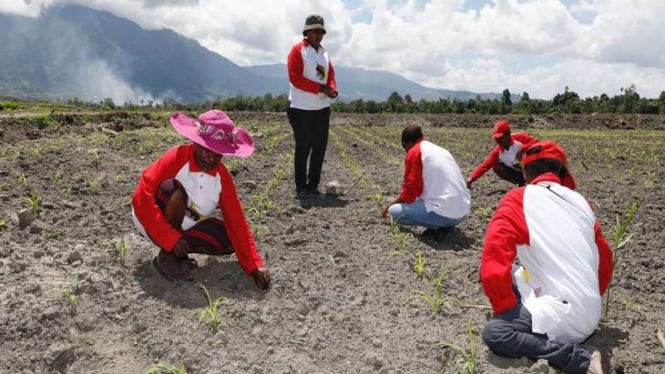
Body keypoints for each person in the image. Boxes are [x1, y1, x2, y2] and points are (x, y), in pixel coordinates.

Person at [480, 140, 612, 374]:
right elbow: (605, 260)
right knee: (517, 273)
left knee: (497, 333)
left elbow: (494, 259)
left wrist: (504, 308)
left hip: (564, 314)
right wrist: (589, 297)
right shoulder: (582, 203)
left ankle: (580, 360)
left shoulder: (518, 198)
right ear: (562, 171)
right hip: (590, 309)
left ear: (526, 172)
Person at [131, 110, 271, 289]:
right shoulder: (177, 158)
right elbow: (141, 196)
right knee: (173, 190)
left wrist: (254, 265)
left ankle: (179, 251)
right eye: (206, 149)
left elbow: (237, 221)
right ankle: (167, 255)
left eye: (217, 153)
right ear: (196, 142)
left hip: (188, 226)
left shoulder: (222, 178)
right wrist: (169, 238)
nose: (210, 157)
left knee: (230, 240)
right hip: (151, 220)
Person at [381, 125, 471, 242]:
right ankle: (444, 225)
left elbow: (410, 193)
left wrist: (388, 207)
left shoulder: (415, 152)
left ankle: (441, 225)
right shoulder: (441, 150)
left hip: (446, 213)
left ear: (406, 144)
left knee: (393, 212)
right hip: (463, 211)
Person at [287, 14, 338, 198]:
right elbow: (295, 77)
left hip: (322, 109)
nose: (319, 34)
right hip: (300, 108)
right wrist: (320, 88)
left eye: (321, 32)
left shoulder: (324, 52)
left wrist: (332, 89)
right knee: (303, 147)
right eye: (315, 31)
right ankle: (301, 187)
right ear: (306, 32)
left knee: (319, 147)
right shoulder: (297, 50)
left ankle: (313, 185)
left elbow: (330, 74)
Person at [466, 120, 538, 188]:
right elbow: (486, 165)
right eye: (496, 139)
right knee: (497, 167)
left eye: (501, 138)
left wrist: (523, 149)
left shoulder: (520, 137)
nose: (499, 141)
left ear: (508, 134)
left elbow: (538, 144)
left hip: (534, 169)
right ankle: (521, 183)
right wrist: (472, 178)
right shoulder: (498, 151)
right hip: (519, 172)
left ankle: (537, 180)